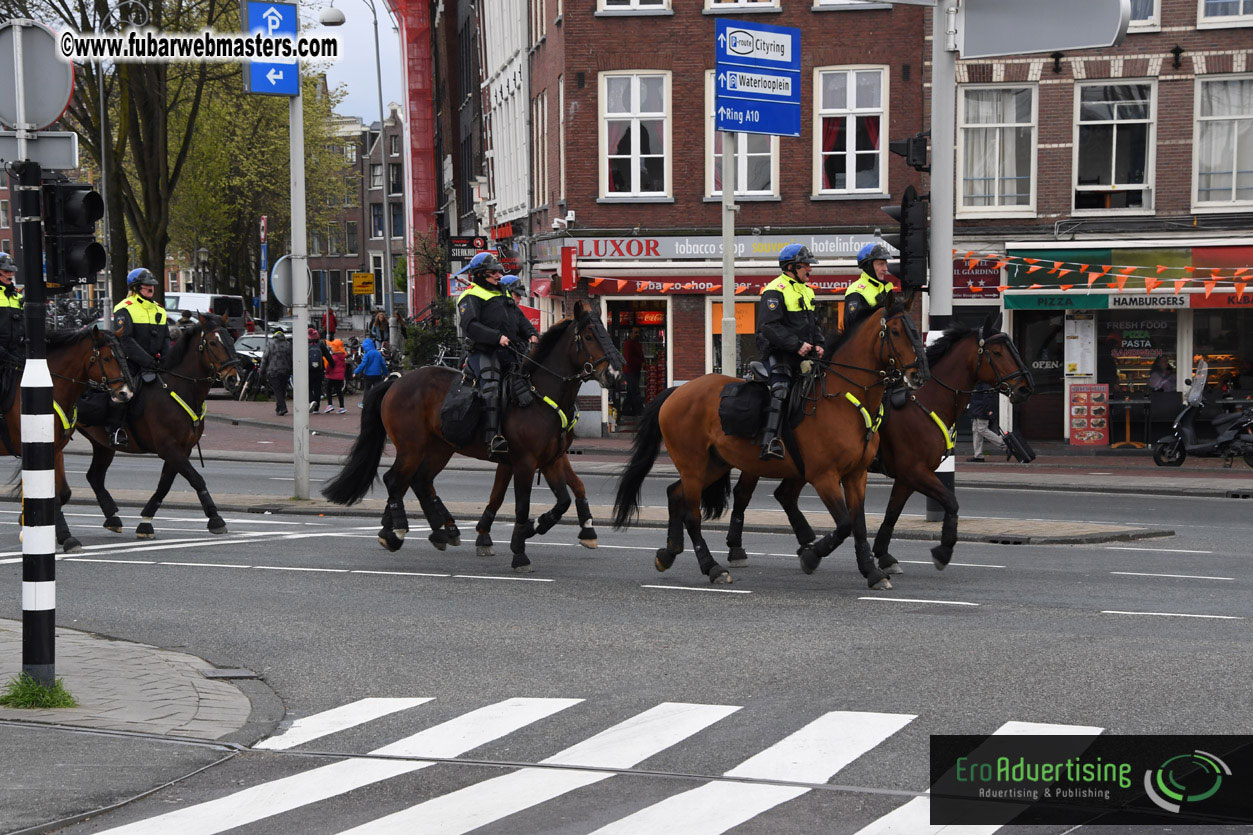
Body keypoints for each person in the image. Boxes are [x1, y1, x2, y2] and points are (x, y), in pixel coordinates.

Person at [456, 253, 532, 457]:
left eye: (499, 271)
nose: (499, 275)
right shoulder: (470, 296)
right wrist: (497, 337)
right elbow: (470, 326)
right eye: (494, 272)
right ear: (480, 274)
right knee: (491, 386)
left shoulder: (503, 293)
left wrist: (532, 333)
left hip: (508, 351)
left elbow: (518, 317)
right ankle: (492, 439)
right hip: (484, 351)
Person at [756, 244, 825, 460]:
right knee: (781, 388)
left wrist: (820, 343)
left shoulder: (807, 289)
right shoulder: (774, 290)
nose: (810, 270)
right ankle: (769, 442)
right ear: (791, 267)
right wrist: (796, 344)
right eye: (805, 266)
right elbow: (769, 327)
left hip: (802, 353)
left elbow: (814, 324)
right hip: (779, 352)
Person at [108, 268, 171, 446]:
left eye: (152, 284)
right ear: (135, 287)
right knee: (124, 393)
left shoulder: (159, 309)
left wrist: (165, 360)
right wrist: (147, 361)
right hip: (131, 362)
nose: (151, 287)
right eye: (146, 285)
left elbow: (166, 338)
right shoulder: (124, 307)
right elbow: (126, 340)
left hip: (155, 363)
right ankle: (116, 430)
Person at [844, 242, 895, 331]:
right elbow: (853, 328)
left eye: (885, 263)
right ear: (869, 266)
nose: (885, 268)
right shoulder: (856, 291)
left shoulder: (887, 288)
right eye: (881, 264)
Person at [966, 381, 1007, 463]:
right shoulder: (979, 383)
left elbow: (987, 397)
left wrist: (989, 410)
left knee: (981, 429)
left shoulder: (985, 383)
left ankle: (1004, 444)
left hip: (981, 410)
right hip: (977, 410)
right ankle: (978, 455)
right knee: (976, 431)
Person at [0, 252, 26, 372]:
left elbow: (24, 325)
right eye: (6, 271)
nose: (10, 274)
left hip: (14, 355)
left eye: (12, 271)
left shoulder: (18, 298)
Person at [258, 329, 293, 416]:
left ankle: (283, 408)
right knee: (282, 389)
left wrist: (261, 371)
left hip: (273, 371)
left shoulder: (270, 344)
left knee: (277, 390)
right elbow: (291, 358)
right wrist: (291, 370)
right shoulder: (288, 344)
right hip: (285, 371)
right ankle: (278, 408)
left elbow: (265, 358)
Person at [353, 336, 387, 406]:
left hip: (368, 375)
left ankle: (364, 403)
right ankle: (379, 403)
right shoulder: (378, 353)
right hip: (378, 374)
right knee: (378, 389)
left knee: (367, 389)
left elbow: (363, 365)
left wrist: (355, 372)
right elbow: (383, 364)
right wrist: (386, 373)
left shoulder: (367, 354)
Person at [308, 327, 332, 412]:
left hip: (308, 370)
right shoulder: (321, 344)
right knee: (318, 388)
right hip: (319, 370)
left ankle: (311, 401)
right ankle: (316, 408)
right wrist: (332, 365)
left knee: (309, 387)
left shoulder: (306, 344)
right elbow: (328, 356)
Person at [622, 327, 644, 416]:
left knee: (631, 392)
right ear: (630, 334)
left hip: (634, 370)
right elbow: (628, 359)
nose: (637, 334)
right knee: (635, 391)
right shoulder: (628, 344)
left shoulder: (636, 343)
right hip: (630, 371)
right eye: (635, 332)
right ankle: (640, 411)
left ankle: (626, 411)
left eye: (638, 332)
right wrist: (641, 363)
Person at [324, 338, 348, 413]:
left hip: (331, 376)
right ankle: (342, 407)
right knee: (339, 391)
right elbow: (344, 366)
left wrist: (326, 372)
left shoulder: (333, 357)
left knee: (328, 390)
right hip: (340, 377)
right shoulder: (342, 357)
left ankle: (330, 405)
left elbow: (329, 367)